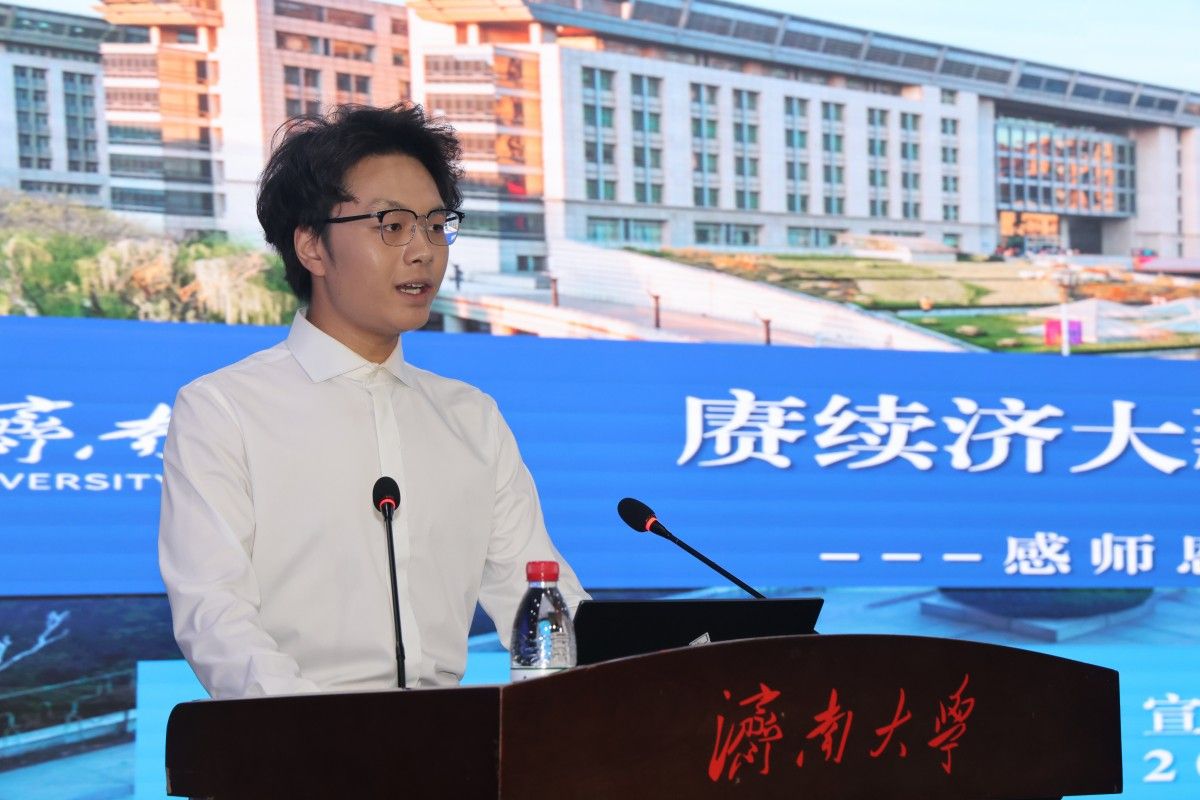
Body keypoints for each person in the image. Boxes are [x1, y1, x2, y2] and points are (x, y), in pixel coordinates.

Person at [158, 104, 588, 700]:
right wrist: (330, 736)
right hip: (294, 741)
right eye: (392, 225)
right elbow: (215, 617)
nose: (423, 250)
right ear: (312, 246)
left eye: (435, 224)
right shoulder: (224, 410)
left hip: (450, 742)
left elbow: (537, 593)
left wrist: (645, 675)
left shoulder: (470, 417)